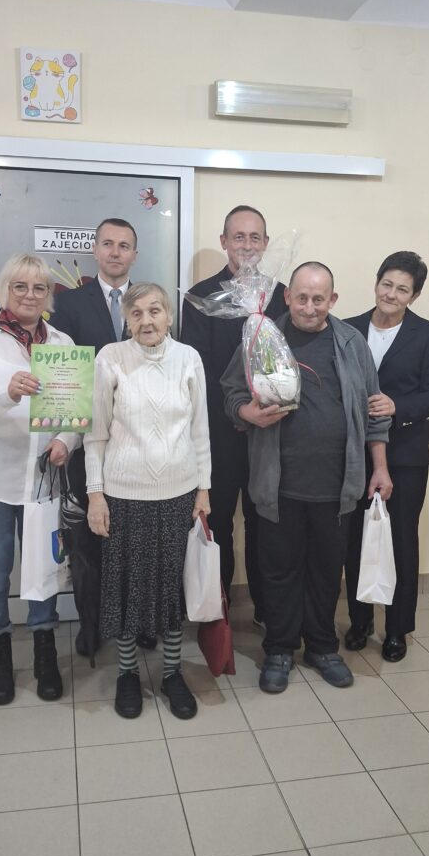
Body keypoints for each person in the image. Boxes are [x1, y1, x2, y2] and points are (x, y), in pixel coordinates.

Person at [222, 262, 392, 694]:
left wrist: (380, 467)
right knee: (278, 570)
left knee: (325, 571)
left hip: (337, 486)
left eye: (319, 299)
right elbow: (231, 392)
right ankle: (279, 649)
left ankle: (321, 647)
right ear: (287, 297)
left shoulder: (351, 343)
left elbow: (374, 411)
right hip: (277, 485)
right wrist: (247, 412)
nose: (310, 307)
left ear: (332, 300)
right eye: (302, 298)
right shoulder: (262, 337)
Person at [0, 253, 78, 705]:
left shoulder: (61, 342)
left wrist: (65, 441)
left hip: (42, 475)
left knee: (42, 566)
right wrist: (5, 392)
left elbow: (72, 411)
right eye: (20, 286)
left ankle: (44, 651)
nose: (29, 295)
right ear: (5, 289)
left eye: (39, 288)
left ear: (49, 296)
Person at [85, 282, 211, 720]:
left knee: (171, 587)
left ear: (169, 316)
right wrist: (95, 495)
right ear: (126, 320)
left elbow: (200, 431)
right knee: (126, 589)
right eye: (136, 313)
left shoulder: (189, 358)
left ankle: (172, 672)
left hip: (179, 495)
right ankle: (127, 674)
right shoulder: (110, 358)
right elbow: (95, 435)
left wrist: (204, 489)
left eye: (155, 310)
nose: (146, 320)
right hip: (124, 497)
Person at [50, 218, 157, 652]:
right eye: (108, 244)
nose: (115, 252)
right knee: (90, 544)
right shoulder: (68, 304)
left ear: (135, 254)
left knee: (139, 541)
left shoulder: (149, 304)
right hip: (86, 444)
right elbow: (63, 374)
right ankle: (92, 628)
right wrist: (66, 436)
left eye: (124, 245)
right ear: (95, 250)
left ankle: (142, 622)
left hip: (140, 445)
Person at [181, 205, 286, 625]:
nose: (247, 244)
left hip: (273, 434)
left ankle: (268, 609)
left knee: (267, 523)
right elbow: (198, 372)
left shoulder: (282, 295)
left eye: (255, 237)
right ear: (224, 241)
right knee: (218, 521)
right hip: (220, 435)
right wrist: (240, 410)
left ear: (266, 243)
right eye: (238, 236)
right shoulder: (201, 297)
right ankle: (218, 609)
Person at [344, 251, 429, 662]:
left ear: (414, 295)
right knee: (355, 540)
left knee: (401, 542)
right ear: (376, 284)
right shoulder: (348, 328)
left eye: (402, 289)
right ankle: (359, 621)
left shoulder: (427, 334)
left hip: (406, 456)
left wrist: (397, 406)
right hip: (354, 455)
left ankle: (397, 629)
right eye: (386, 284)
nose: (391, 294)